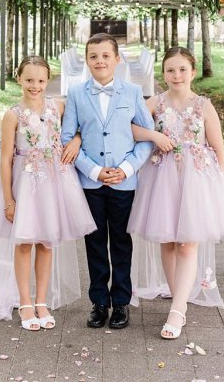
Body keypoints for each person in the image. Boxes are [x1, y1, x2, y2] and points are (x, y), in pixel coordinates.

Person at [0, 56, 96, 330]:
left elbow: (81, 127)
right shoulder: (13, 114)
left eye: (41, 80)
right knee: (23, 244)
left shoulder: (57, 106)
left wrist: (78, 141)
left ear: (48, 80)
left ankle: (41, 301)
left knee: (46, 243)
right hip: (25, 182)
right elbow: (6, 157)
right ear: (19, 79)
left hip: (54, 184)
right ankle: (24, 301)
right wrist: (9, 199)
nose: (35, 86)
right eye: (30, 80)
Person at [128, 46, 224, 339]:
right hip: (162, 176)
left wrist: (217, 180)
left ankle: (177, 311)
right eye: (171, 70)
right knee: (169, 240)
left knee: (187, 242)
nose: (176, 75)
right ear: (163, 74)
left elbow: (218, 147)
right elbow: (131, 128)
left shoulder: (203, 105)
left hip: (196, 179)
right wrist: (153, 135)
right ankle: (179, 298)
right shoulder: (154, 103)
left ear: (193, 72)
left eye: (182, 69)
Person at [61, 33, 154, 329]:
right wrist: (92, 171)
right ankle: (99, 301)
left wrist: (126, 169)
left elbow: (147, 138)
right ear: (86, 61)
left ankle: (122, 302)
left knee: (122, 242)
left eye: (105, 55)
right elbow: (67, 137)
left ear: (117, 59)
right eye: (93, 56)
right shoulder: (76, 93)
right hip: (90, 182)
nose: (99, 61)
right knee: (95, 242)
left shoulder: (133, 92)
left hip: (124, 182)